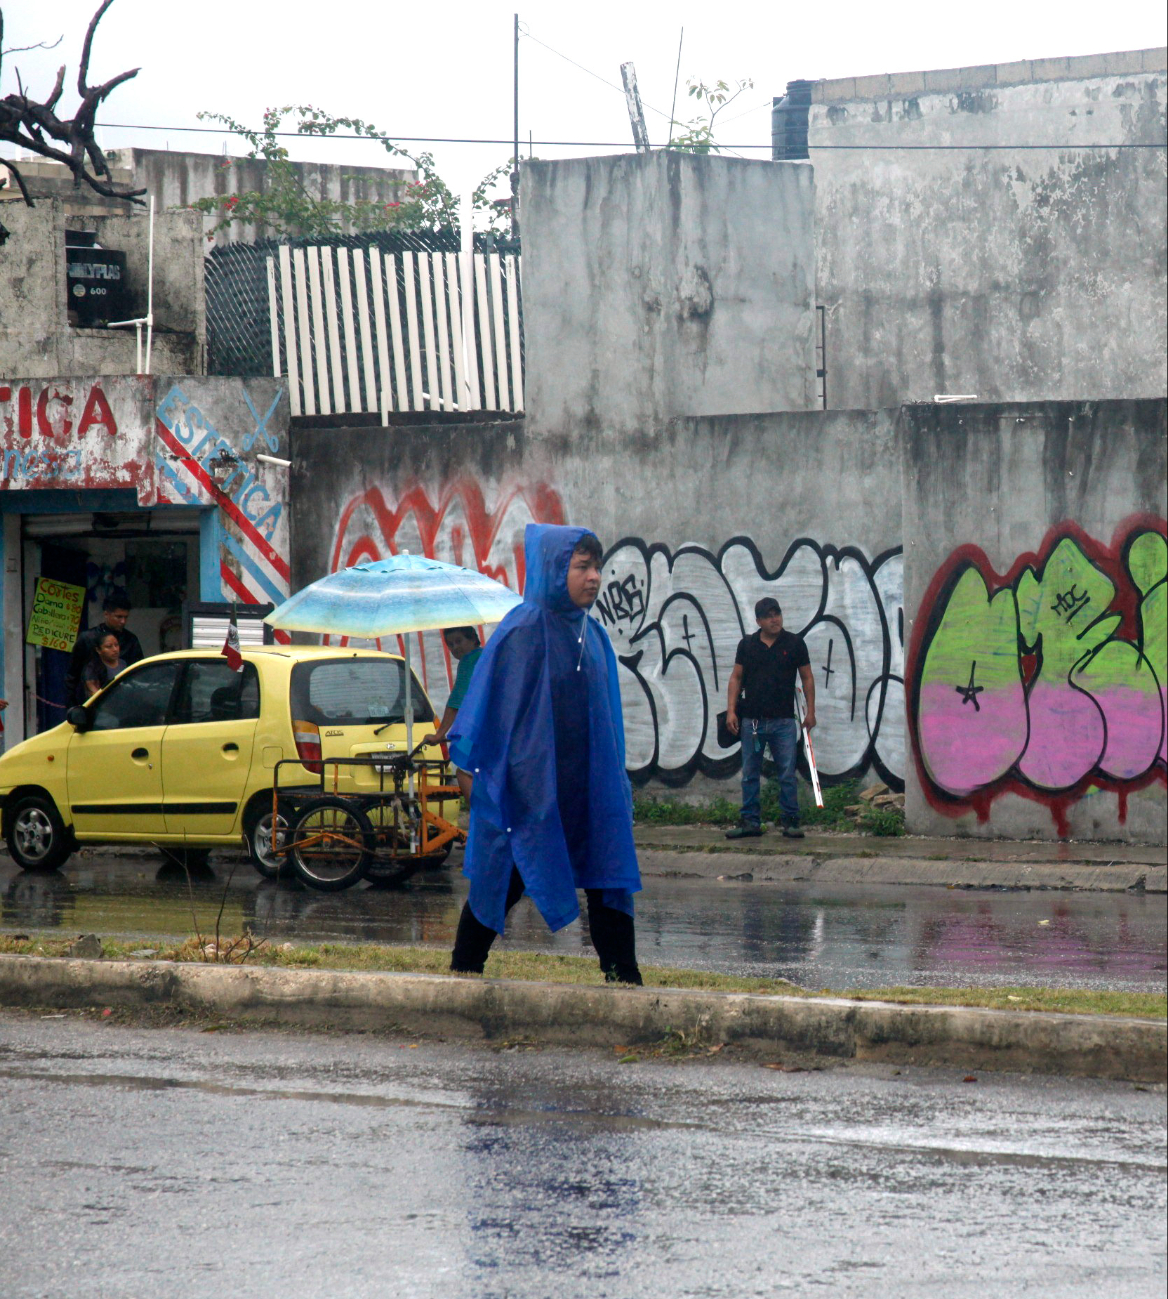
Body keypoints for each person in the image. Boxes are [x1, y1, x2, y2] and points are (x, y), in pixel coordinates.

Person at [446, 524, 643, 984]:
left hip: (586, 789)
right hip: (528, 792)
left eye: (597, 567)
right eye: (581, 567)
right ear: (554, 570)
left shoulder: (592, 636)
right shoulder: (523, 631)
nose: (594, 577)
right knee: (501, 879)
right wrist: (481, 781)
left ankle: (624, 977)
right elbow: (491, 713)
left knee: (607, 874)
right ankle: (463, 971)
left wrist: (616, 785)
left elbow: (606, 721)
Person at [724, 596, 816, 840]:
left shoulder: (795, 643)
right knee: (750, 774)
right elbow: (736, 677)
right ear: (758, 621)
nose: (775, 619)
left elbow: (807, 677)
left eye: (777, 613)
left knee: (786, 772)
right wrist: (731, 710)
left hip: (784, 721)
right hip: (752, 721)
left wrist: (811, 711)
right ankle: (750, 822)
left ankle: (791, 822)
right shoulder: (747, 645)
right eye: (768, 615)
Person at [420, 626, 483, 800]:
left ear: (472, 639)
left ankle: (479, 820)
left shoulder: (469, 661)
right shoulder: (486, 656)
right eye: (450, 644)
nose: (455, 647)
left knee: (463, 772)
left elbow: (456, 700)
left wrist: (439, 734)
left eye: (459, 641)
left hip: (480, 731)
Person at [65, 589, 143, 706]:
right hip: (91, 700)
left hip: (123, 700)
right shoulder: (87, 638)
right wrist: (72, 704)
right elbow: (73, 673)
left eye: (126, 617)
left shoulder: (130, 640)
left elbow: (138, 671)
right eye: (119, 617)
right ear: (106, 614)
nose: (123, 621)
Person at [83, 631, 126, 698]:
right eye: (109, 646)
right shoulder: (92, 668)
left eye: (116, 645)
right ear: (98, 650)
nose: (115, 649)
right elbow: (94, 694)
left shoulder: (123, 663)